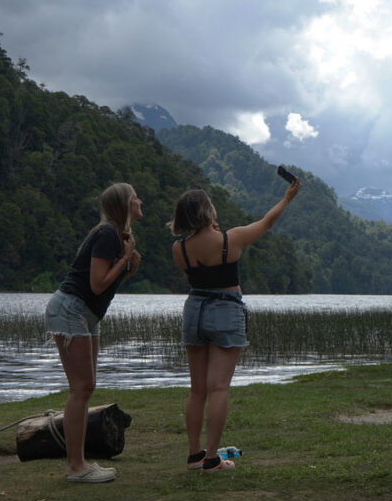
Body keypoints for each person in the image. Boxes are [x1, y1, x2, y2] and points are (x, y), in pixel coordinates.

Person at [170, 178, 301, 472]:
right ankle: (212, 459)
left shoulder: (179, 249)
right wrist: (287, 198)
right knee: (219, 388)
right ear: (207, 211)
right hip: (225, 310)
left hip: (194, 310)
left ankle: (194, 456)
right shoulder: (231, 240)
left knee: (197, 390)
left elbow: (198, 272)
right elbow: (266, 222)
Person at [44, 182, 143, 483]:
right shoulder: (106, 234)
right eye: (135, 197)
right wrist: (124, 259)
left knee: (85, 388)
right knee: (81, 388)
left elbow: (104, 285)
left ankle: (80, 463)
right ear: (124, 204)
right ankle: (75, 467)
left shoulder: (117, 236)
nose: (140, 201)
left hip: (86, 312)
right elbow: (97, 284)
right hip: (71, 309)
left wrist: (128, 268)